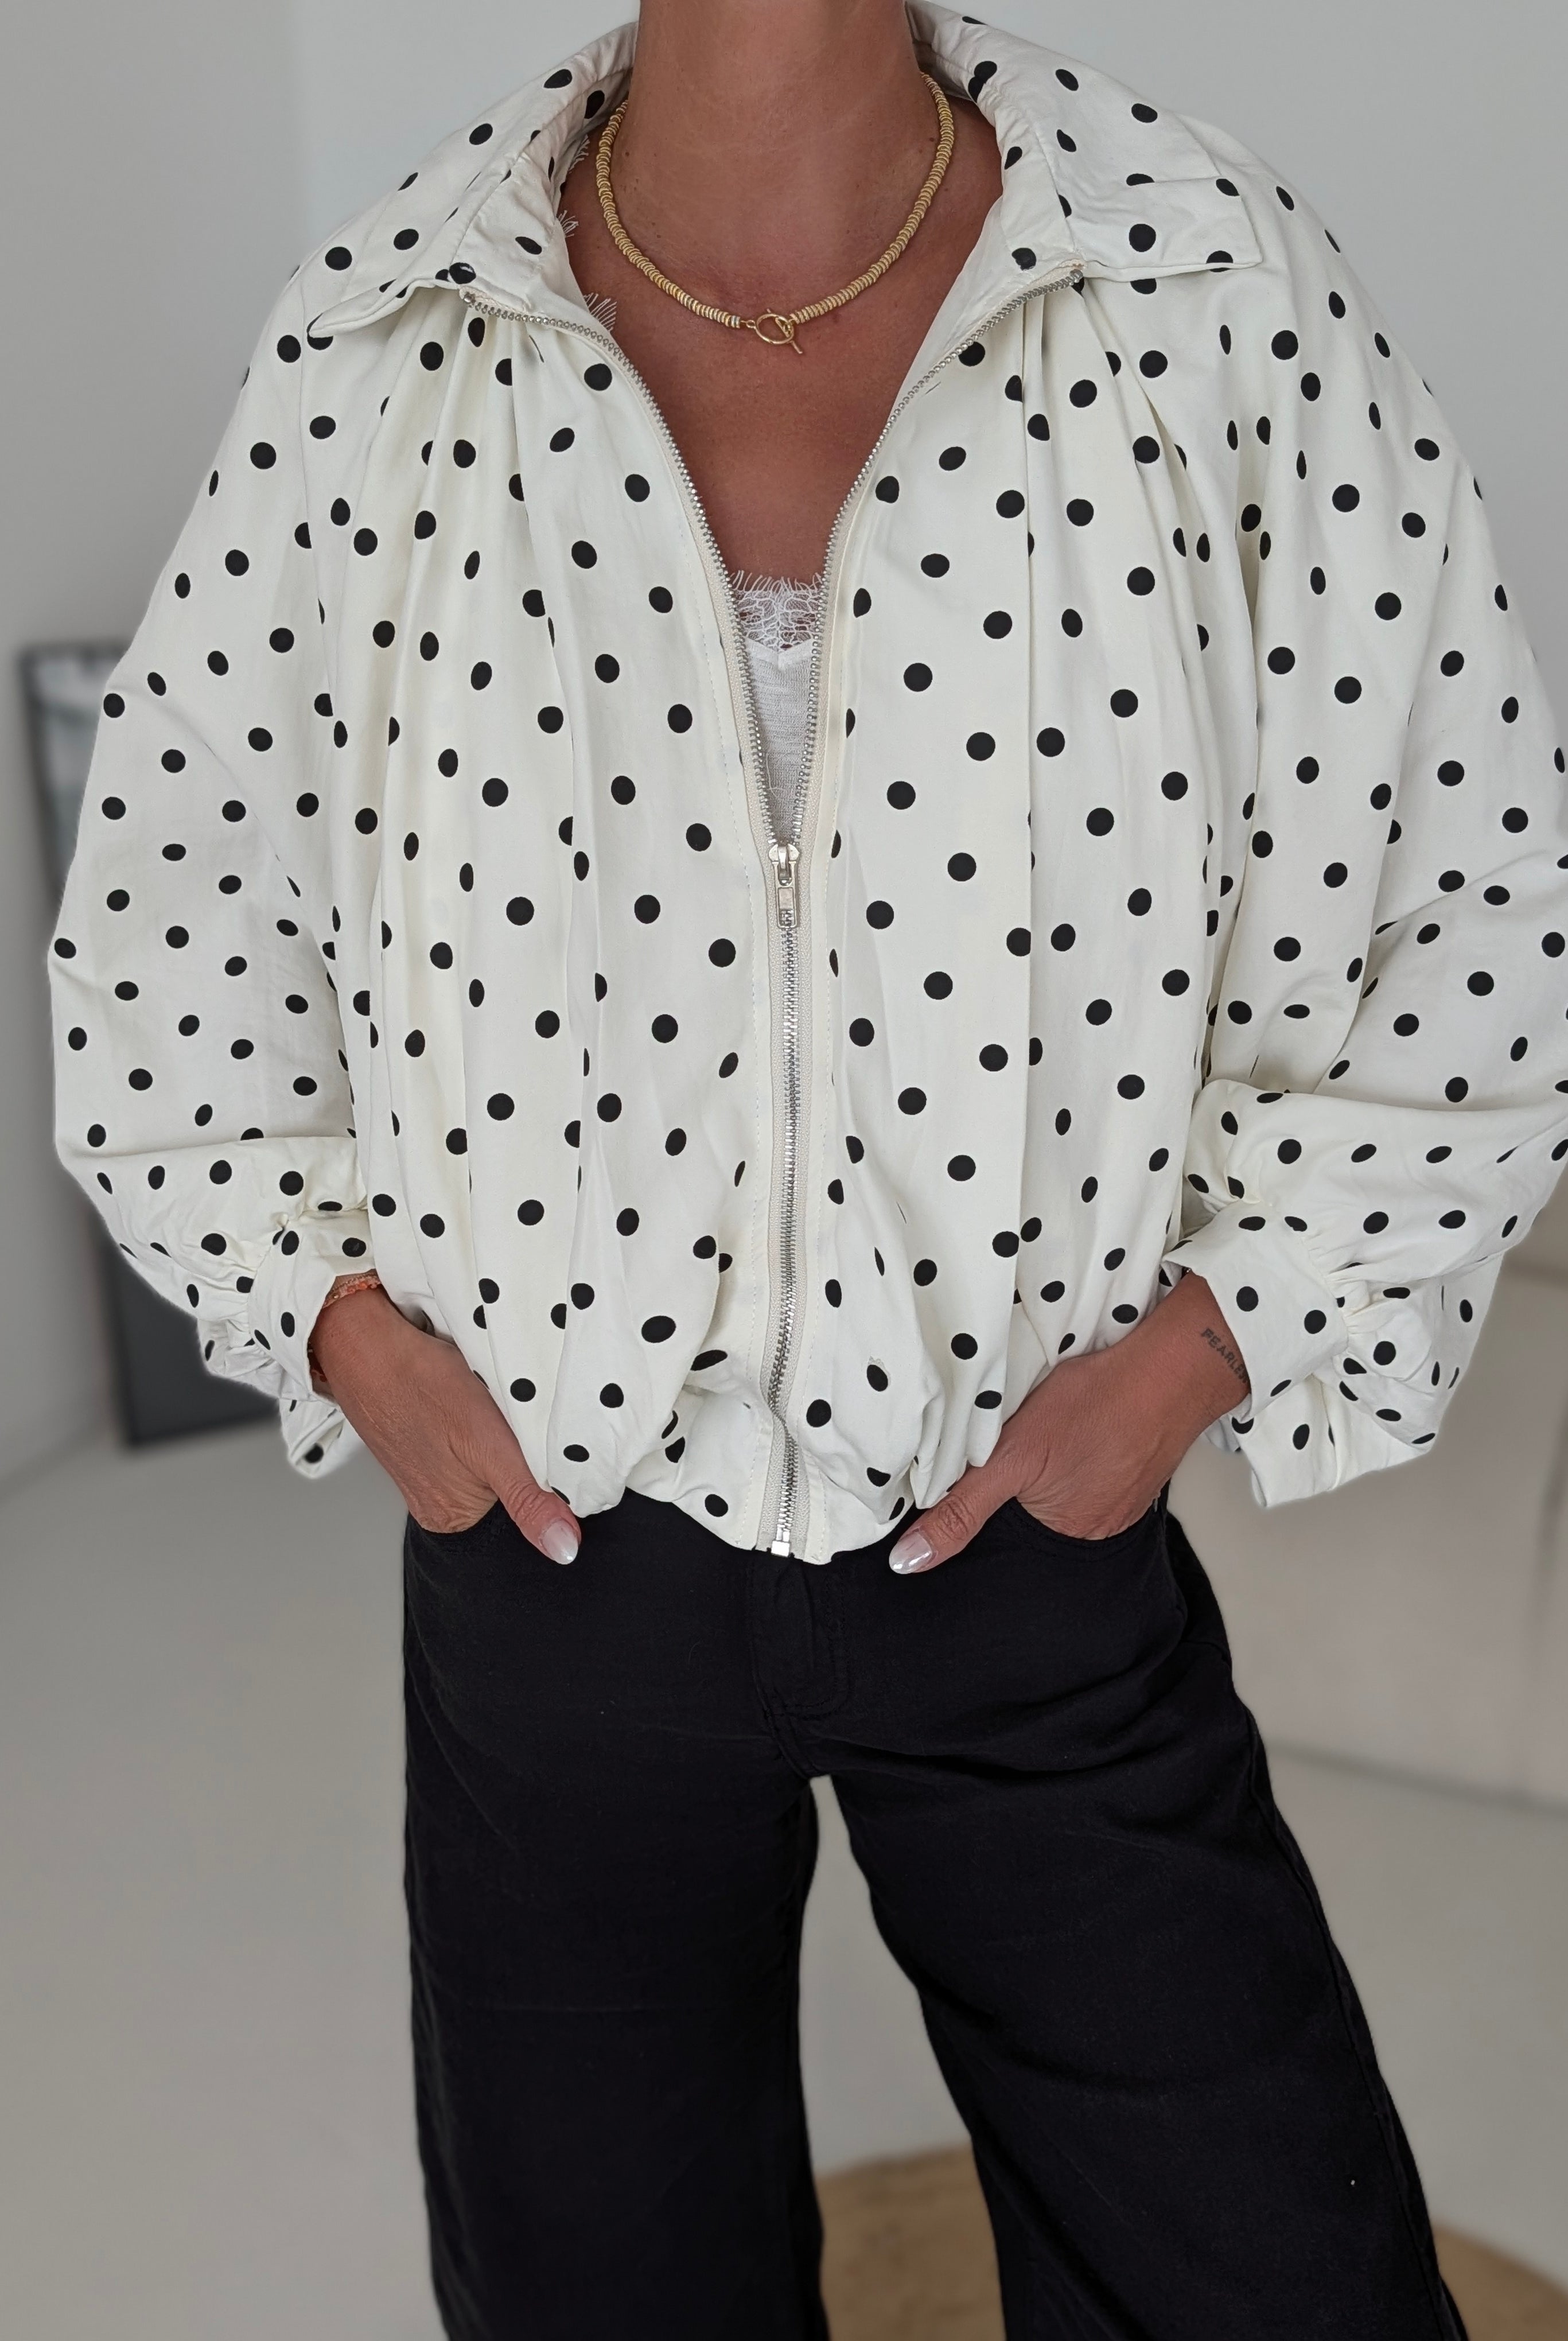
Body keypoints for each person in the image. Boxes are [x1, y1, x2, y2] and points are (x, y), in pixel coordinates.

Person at [49, 0, 1565, 2330]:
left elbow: (1483, 899)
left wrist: (1203, 1348)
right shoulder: (389, 329)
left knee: (1278, 2277)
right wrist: (351, 1336)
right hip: (551, 1560)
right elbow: (168, 925)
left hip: (1033, 1529)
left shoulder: (1198, 278)